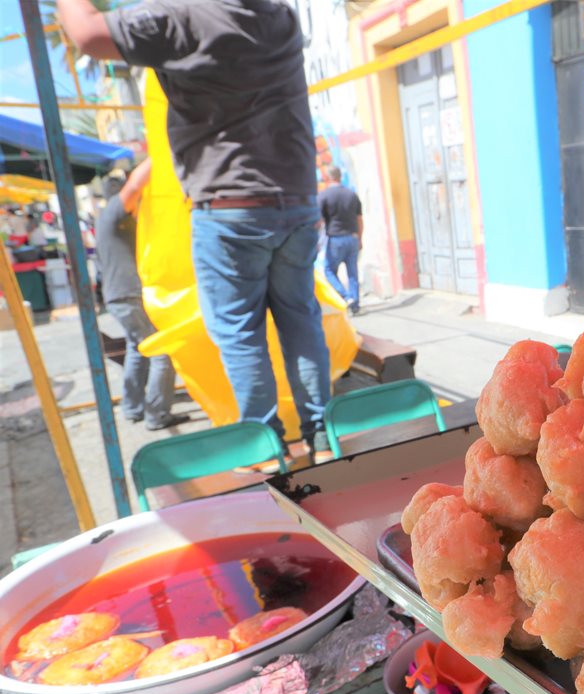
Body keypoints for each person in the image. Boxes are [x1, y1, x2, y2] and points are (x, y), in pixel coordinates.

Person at [59, 0, 333, 460]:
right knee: (301, 323)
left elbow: (85, 33)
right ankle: (324, 437)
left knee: (242, 336)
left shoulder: (181, 18)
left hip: (230, 207)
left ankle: (266, 448)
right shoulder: (279, 15)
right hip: (297, 201)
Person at [95, 160, 187, 431]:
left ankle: (132, 407)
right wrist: (161, 150)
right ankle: (157, 416)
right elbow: (135, 184)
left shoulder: (108, 223)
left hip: (119, 297)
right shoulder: (114, 212)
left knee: (138, 349)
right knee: (162, 353)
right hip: (128, 296)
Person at [319, 166, 364, 314]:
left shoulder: (324, 196)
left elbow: (318, 221)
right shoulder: (352, 195)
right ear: (340, 177)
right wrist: (360, 238)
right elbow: (359, 219)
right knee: (353, 272)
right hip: (352, 237)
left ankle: (345, 297)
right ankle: (355, 303)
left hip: (335, 239)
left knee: (329, 270)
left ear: (327, 178)